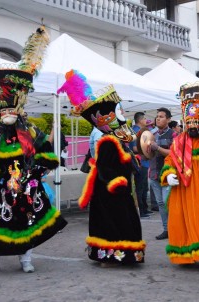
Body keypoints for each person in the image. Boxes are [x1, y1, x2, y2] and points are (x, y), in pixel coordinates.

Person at [0, 26, 67, 276]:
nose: (9, 112)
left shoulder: (30, 131)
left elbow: (48, 154)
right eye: (4, 108)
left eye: (13, 108)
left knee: (26, 222)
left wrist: (35, 173)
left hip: (25, 186)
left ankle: (26, 258)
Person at [58, 70, 145, 266]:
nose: (123, 116)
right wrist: (117, 181)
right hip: (110, 193)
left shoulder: (117, 139)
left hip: (119, 191)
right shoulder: (107, 141)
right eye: (119, 112)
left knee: (123, 220)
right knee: (113, 222)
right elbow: (105, 168)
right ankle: (112, 255)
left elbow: (125, 161)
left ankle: (123, 254)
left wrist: (132, 162)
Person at [160, 60, 199, 271]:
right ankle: (186, 255)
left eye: (198, 123)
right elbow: (169, 160)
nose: (194, 127)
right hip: (182, 188)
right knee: (180, 221)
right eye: (191, 123)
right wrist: (168, 174)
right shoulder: (178, 141)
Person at [149, 107, 175, 240]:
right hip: (153, 173)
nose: (158, 118)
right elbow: (145, 154)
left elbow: (174, 153)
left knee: (167, 202)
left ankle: (174, 228)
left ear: (169, 119)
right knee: (160, 203)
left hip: (167, 174)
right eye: (157, 116)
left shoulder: (174, 134)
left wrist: (157, 148)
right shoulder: (151, 134)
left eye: (161, 116)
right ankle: (166, 230)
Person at [129, 112, 151, 218]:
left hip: (144, 162)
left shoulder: (141, 131)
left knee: (144, 186)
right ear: (140, 120)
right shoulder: (135, 132)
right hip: (140, 162)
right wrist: (147, 148)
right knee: (140, 187)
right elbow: (133, 148)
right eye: (145, 118)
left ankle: (145, 209)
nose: (146, 120)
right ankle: (141, 211)